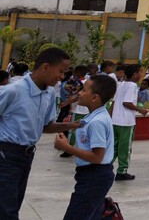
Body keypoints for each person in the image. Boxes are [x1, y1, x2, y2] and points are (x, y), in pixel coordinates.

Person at [0, 47, 78, 213]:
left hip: (26, 156)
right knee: (6, 210)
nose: (62, 77)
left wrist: (69, 126)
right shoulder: (13, 90)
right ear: (45, 67)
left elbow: (45, 126)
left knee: (13, 205)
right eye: (61, 71)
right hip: (5, 155)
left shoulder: (49, 93)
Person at [54, 73, 116, 219]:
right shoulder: (92, 116)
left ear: (94, 98)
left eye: (84, 90)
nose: (79, 93)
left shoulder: (97, 122)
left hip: (95, 175)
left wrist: (66, 147)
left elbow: (97, 157)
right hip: (90, 174)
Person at [112, 63, 148, 181]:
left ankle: (104, 166)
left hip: (115, 121)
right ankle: (122, 171)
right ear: (134, 74)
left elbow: (114, 102)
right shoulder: (132, 86)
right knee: (125, 148)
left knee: (114, 147)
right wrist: (140, 110)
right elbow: (126, 103)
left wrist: (109, 117)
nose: (141, 75)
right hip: (126, 122)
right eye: (140, 72)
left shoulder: (121, 84)